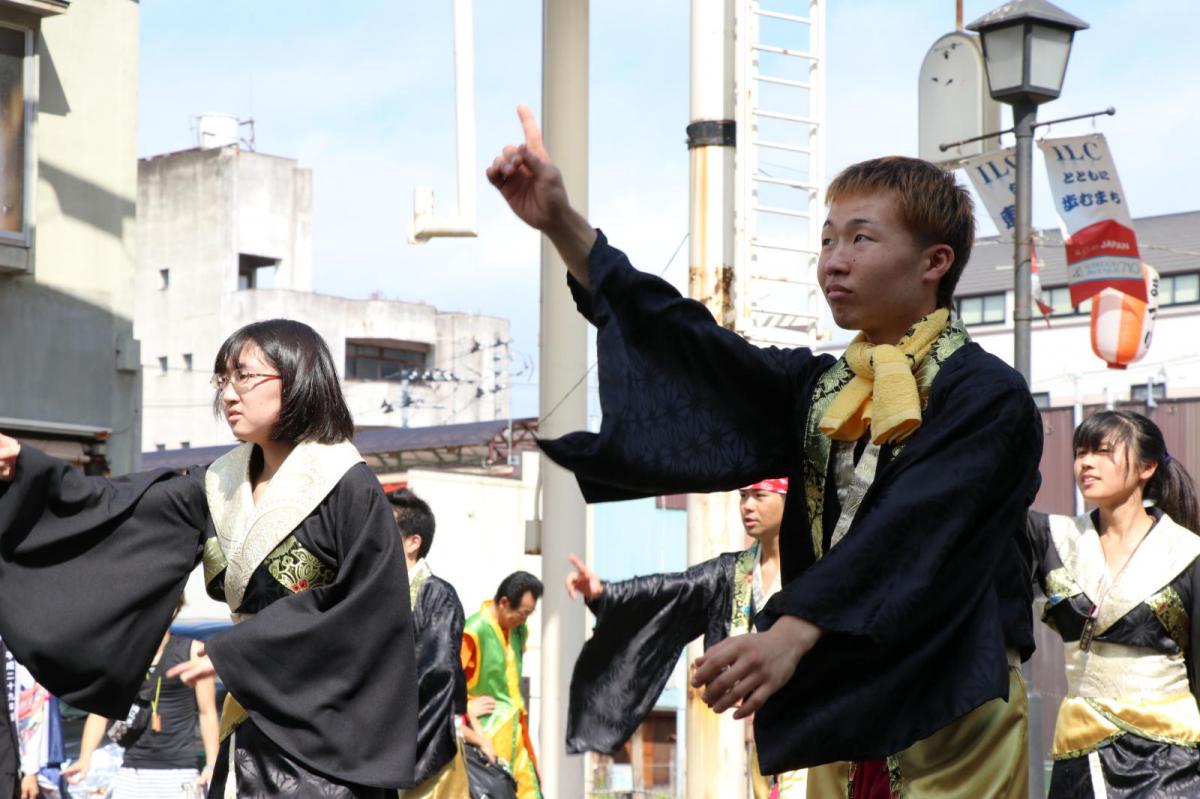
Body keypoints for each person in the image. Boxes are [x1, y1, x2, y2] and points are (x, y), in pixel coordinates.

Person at [487, 106, 1043, 796]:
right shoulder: (824, 389)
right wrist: (564, 226)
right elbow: (697, 348)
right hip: (848, 708)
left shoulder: (987, 395)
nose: (834, 259)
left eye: (861, 238)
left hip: (954, 709)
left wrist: (790, 630)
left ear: (935, 262)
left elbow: (915, 522)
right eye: (828, 239)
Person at [0, 319, 419, 797]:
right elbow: (117, 508)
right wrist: (24, 469)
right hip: (249, 726)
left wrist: (232, 652)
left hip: (326, 745)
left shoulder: (347, 484)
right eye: (223, 380)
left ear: (298, 377)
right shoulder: (220, 483)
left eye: (245, 376)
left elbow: (368, 611)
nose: (229, 394)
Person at [564, 478, 805, 797]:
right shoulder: (733, 572)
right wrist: (605, 592)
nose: (747, 506)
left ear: (791, 501)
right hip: (768, 734)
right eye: (743, 496)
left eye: (760, 496)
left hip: (816, 727)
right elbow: (674, 589)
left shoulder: (816, 568)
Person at [1027, 411, 1200, 797]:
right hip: (1080, 752)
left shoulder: (1187, 553)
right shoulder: (1054, 538)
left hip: (1170, 760)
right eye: (1080, 452)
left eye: (1103, 452)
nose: (1086, 463)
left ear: (1147, 467)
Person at [63, 599, 219, 798]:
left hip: (179, 770)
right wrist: (85, 759)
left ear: (174, 609)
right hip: (131, 770)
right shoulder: (124, 655)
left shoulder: (193, 651)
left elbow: (207, 713)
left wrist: (211, 764)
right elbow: (100, 712)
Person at [388, 489, 472, 798]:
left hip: (426, 752)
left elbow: (437, 673)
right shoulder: (371, 593)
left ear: (413, 542)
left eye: (384, 528)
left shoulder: (436, 595)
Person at [461, 572, 543, 799]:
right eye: (522, 613)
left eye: (529, 614)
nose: (524, 620)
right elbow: (449, 683)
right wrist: (466, 708)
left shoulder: (519, 631)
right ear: (504, 602)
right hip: (486, 735)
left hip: (516, 734)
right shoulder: (474, 630)